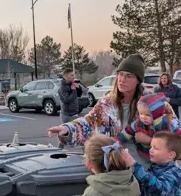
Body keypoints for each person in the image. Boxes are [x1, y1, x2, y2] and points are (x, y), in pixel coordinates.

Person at [48, 54, 176, 166]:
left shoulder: (154, 104)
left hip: (149, 172)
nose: (122, 79)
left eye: (128, 76)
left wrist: (149, 140)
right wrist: (67, 129)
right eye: (120, 74)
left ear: (138, 80)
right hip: (115, 169)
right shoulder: (108, 102)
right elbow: (89, 121)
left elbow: (175, 137)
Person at [116, 93, 180, 160]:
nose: (143, 117)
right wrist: (117, 140)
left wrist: (150, 141)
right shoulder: (138, 123)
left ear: (157, 114)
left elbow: (177, 137)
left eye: (148, 115)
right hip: (145, 156)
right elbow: (127, 131)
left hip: (163, 159)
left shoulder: (167, 124)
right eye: (141, 113)